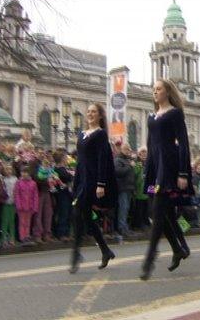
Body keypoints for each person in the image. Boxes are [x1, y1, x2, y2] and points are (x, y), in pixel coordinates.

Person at [140, 79, 194, 280]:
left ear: (167, 92)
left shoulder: (175, 113)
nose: (155, 92)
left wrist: (183, 173)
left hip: (168, 165)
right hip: (155, 167)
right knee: (158, 213)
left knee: (159, 211)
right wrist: (147, 169)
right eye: (153, 89)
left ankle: (149, 260)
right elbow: (149, 143)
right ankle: (178, 249)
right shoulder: (151, 116)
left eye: (158, 89)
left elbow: (184, 144)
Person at [69, 103, 117, 274]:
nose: (90, 114)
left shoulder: (100, 134)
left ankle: (76, 254)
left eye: (93, 112)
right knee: (86, 218)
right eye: (88, 111)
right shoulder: (82, 134)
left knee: (77, 213)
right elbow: (80, 160)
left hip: (93, 179)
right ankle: (106, 250)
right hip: (81, 178)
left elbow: (103, 159)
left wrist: (101, 184)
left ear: (100, 116)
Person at [114, 143, 136, 237]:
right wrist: (129, 166)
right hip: (122, 188)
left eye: (129, 150)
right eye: (127, 149)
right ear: (122, 150)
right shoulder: (118, 160)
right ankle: (122, 228)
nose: (128, 151)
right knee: (123, 208)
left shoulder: (127, 160)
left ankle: (125, 227)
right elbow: (118, 172)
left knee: (126, 208)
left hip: (129, 188)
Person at [53, 151, 74, 241]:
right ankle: (61, 233)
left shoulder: (65, 168)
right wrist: (70, 177)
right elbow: (66, 177)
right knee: (63, 213)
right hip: (62, 194)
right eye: (65, 158)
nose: (66, 159)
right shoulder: (57, 169)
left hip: (68, 193)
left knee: (69, 213)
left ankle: (67, 233)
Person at [15, 166, 39, 246]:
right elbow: (17, 194)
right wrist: (18, 205)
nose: (24, 174)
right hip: (21, 207)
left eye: (26, 172)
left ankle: (27, 236)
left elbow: (35, 195)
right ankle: (23, 238)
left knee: (28, 223)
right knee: (22, 223)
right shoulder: (18, 182)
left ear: (29, 173)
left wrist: (35, 206)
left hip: (30, 207)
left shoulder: (33, 183)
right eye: (23, 172)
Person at [131, 147, 149, 231]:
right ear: (139, 154)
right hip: (139, 190)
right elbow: (134, 175)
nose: (144, 155)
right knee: (139, 209)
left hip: (148, 191)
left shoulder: (148, 164)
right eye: (142, 153)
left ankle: (145, 223)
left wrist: (153, 191)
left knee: (146, 209)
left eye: (145, 153)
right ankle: (138, 225)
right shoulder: (137, 164)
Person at [1, 164, 18, 247]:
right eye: (7, 169)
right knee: (5, 221)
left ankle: (12, 238)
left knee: (12, 221)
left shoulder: (15, 179)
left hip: (13, 202)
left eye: (10, 169)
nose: (8, 171)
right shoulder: (3, 179)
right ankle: (4, 238)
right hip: (5, 203)